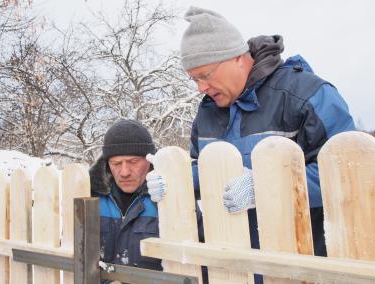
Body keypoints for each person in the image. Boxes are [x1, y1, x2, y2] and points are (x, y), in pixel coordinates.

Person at [147, 6, 356, 280]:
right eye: (194, 79)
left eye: (205, 75)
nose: (200, 88)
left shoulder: (306, 96)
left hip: (301, 268)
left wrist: (268, 186)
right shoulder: (208, 113)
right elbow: (207, 173)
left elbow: (348, 175)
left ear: (236, 58)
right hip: (231, 270)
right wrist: (177, 182)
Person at [90, 119, 162, 271]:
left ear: (149, 161)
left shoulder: (171, 196)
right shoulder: (90, 197)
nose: (124, 173)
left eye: (133, 162)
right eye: (116, 163)